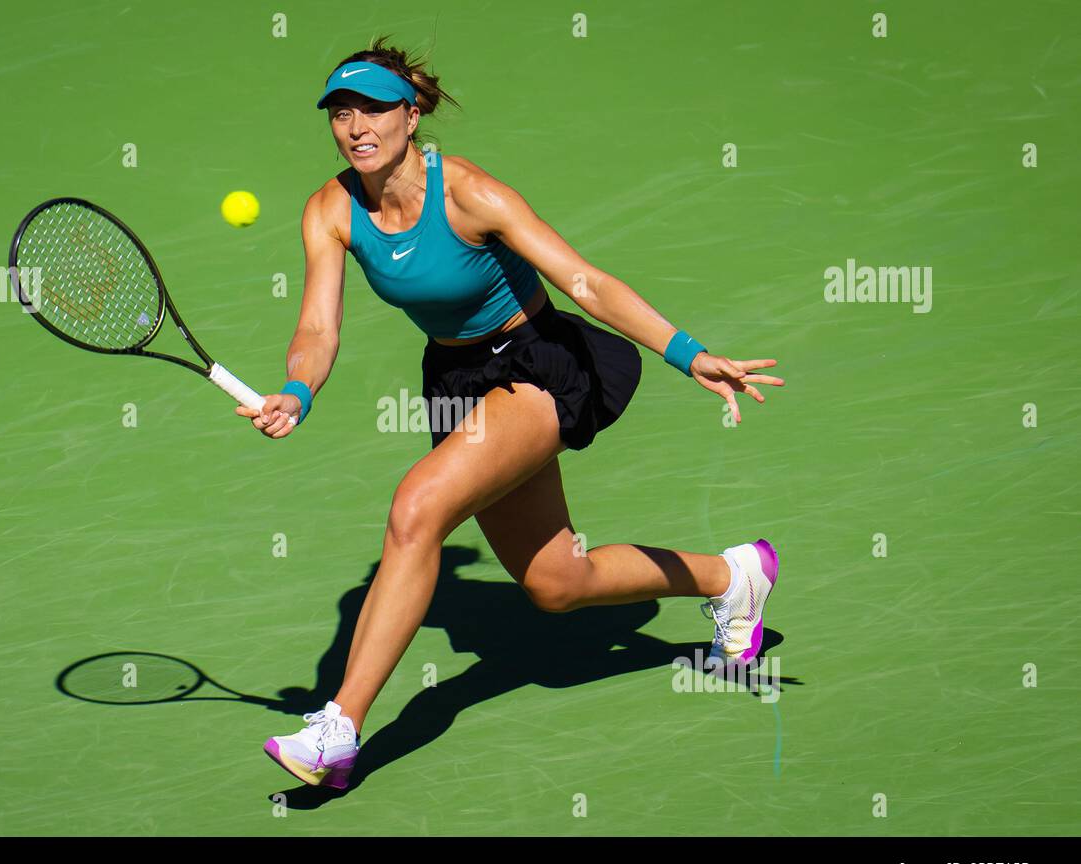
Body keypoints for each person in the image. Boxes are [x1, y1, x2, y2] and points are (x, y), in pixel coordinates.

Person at [243, 38, 785, 790]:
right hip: (457, 377)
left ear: (411, 114)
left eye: (372, 107)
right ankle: (732, 577)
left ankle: (339, 729)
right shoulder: (331, 210)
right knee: (557, 584)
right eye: (340, 112)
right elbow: (318, 329)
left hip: (536, 361)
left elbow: (585, 283)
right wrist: (298, 389)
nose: (355, 125)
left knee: (416, 508)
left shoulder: (470, 194)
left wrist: (687, 352)